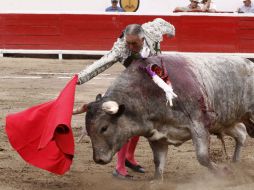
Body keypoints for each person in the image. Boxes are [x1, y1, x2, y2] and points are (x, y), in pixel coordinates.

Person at [77, 18, 175, 179]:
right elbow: (101, 64)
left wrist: (172, 33)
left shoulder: (153, 31)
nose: (130, 47)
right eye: (127, 43)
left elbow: (166, 24)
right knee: (127, 121)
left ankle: (129, 157)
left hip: (151, 82)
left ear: (143, 38)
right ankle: (119, 167)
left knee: (140, 122)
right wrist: (79, 78)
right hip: (131, 84)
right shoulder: (120, 48)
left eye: (134, 44)